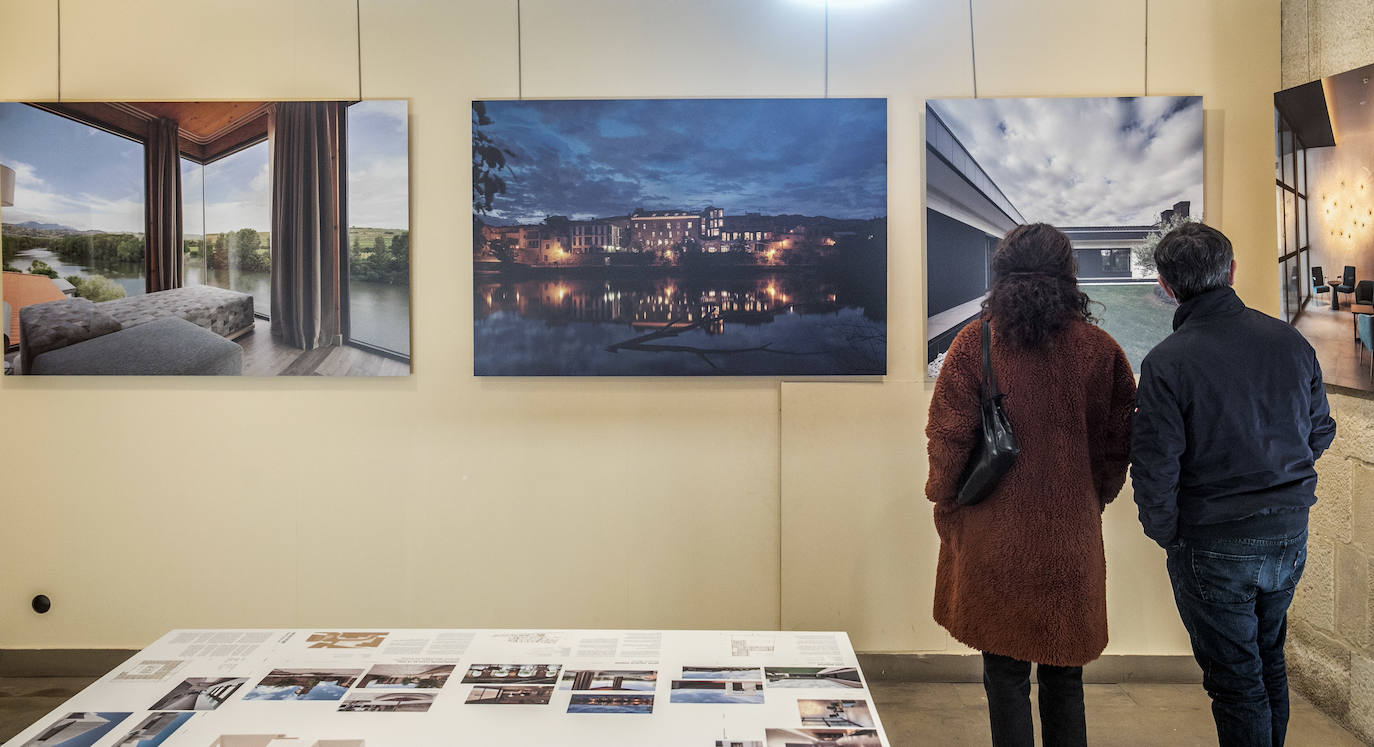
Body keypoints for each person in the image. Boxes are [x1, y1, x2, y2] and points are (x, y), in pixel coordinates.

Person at [927, 223, 1136, 747]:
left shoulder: (975, 343)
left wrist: (944, 502)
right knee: (1065, 678)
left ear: (1002, 275)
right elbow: (1120, 445)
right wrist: (1096, 496)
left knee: (1004, 677)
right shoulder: (1101, 350)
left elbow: (946, 438)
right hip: (1069, 539)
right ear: (1070, 276)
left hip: (994, 536)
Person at [1131, 222, 1335, 747]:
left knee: (1238, 683)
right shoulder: (1289, 341)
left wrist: (1168, 533)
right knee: (1268, 662)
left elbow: (1156, 468)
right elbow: (1320, 430)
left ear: (1165, 286)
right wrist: (1281, 480)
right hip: (1288, 536)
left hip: (1212, 543)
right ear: (1232, 271)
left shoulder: (1166, 363)